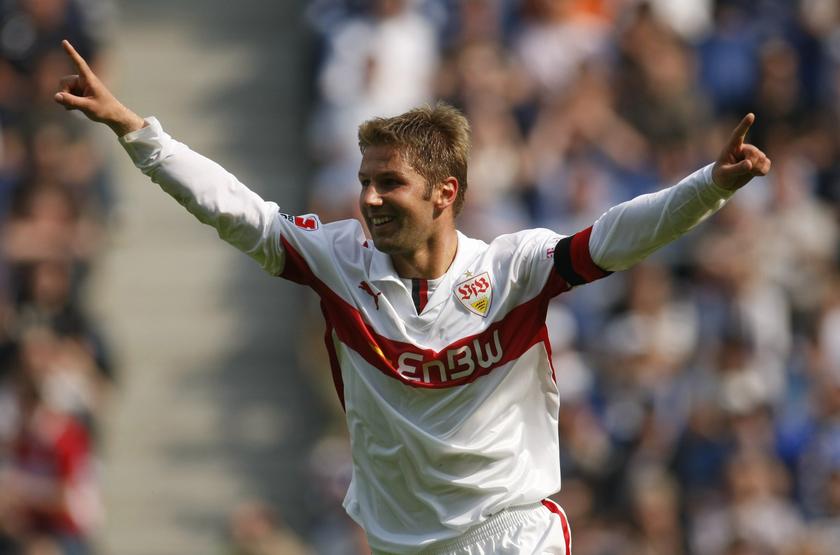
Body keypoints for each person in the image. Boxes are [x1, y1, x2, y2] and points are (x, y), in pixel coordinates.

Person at [53, 39, 771, 554]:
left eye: (388, 182)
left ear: (444, 193)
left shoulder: (513, 270)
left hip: (513, 532)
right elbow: (235, 209)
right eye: (366, 180)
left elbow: (617, 236)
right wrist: (134, 130)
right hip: (404, 544)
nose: (367, 198)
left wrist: (707, 186)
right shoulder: (339, 261)